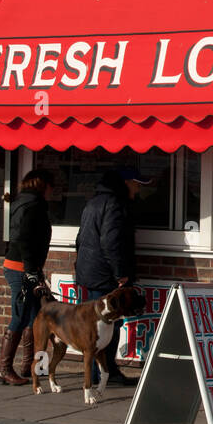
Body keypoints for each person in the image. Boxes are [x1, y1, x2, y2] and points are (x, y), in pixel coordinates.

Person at [75, 165, 150, 385]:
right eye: (136, 184)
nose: (137, 190)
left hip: (89, 271)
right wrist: (121, 273)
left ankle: (97, 373)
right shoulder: (115, 205)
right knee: (107, 325)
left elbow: (81, 238)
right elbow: (111, 242)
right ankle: (106, 373)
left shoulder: (93, 202)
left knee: (92, 325)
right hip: (105, 275)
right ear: (125, 184)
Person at [0, 168, 54, 386]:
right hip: (22, 268)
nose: (53, 190)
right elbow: (25, 240)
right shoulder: (34, 207)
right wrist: (32, 271)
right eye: (51, 186)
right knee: (20, 316)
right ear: (43, 186)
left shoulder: (23, 202)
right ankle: (4, 369)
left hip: (19, 266)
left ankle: (30, 366)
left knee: (33, 316)